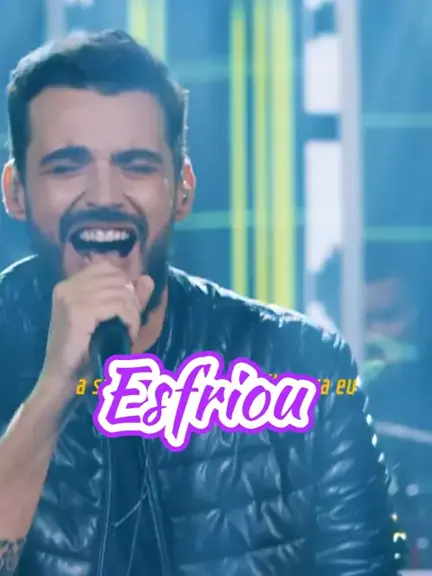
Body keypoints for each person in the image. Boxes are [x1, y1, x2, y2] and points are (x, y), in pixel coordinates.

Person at [0, 30, 405, 576]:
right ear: (16, 191)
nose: (104, 195)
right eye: (66, 165)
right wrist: (52, 394)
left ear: (182, 189)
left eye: (137, 165)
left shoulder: (305, 367)